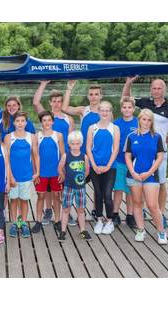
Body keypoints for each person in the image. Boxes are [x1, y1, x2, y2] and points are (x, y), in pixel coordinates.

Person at [122, 76, 168, 229]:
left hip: (160, 153)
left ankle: (160, 215)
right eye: (154, 88)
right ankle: (140, 211)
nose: (156, 91)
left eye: (159, 88)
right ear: (151, 89)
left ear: (164, 89)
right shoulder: (144, 103)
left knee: (161, 183)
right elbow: (125, 99)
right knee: (140, 180)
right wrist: (129, 82)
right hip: (141, 150)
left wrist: (159, 145)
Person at [33, 80, 76, 226]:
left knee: (62, 189)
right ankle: (48, 211)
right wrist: (43, 83)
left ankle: (65, 212)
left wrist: (67, 163)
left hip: (62, 158)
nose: (57, 104)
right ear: (50, 103)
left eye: (59, 101)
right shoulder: (46, 116)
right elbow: (35, 102)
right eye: (54, 101)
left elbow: (70, 141)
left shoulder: (68, 119)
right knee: (48, 190)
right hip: (46, 162)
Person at [125, 109, 166, 244]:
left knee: (152, 205)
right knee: (137, 203)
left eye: (149, 120)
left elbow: (160, 157)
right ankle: (141, 230)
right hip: (134, 175)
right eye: (144, 119)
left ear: (152, 122)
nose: (146, 122)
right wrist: (133, 173)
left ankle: (161, 232)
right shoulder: (131, 137)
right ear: (139, 120)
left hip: (151, 175)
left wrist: (148, 172)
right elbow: (128, 156)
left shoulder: (157, 137)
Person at [62, 80, 102, 220]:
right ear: (88, 96)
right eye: (91, 94)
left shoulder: (105, 112)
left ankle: (97, 212)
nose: (93, 97)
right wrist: (69, 88)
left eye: (96, 94)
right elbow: (65, 108)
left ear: (101, 96)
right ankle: (76, 212)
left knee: (98, 188)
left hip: (97, 155)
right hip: (82, 155)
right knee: (77, 184)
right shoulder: (83, 110)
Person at [86, 101, 120, 235]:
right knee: (98, 194)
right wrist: (94, 165)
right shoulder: (92, 128)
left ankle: (110, 221)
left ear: (110, 112)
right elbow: (88, 147)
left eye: (107, 110)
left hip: (110, 167)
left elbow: (116, 149)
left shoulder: (114, 128)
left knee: (107, 194)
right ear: (98, 112)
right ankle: (99, 219)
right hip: (95, 166)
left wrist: (107, 166)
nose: (105, 113)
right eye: (102, 110)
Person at [4, 111, 39, 238]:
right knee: (13, 200)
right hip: (13, 175)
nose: (20, 123)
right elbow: (6, 158)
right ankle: (14, 223)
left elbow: (35, 155)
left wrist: (37, 172)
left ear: (26, 122)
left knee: (24, 201)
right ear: (14, 123)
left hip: (26, 175)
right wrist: (10, 176)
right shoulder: (8, 137)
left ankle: (23, 222)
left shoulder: (32, 137)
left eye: (22, 121)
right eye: (17, 121)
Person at [32, 111, 65, 234]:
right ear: (41, 122)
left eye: (49, 120)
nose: (46, 122)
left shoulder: (59, 135)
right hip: (42, 173)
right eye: (44, 120)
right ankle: (38, 221)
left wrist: (62, 171)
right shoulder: (36, 136)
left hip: (56, 172)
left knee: (56, 196)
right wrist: (36, 172)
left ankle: (57, 221)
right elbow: (35, 156)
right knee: (41, 196)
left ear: (53, 121)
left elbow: (63, 154)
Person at [57, 130, 92, 242]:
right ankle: (63, 231)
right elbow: (60, 168)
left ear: (81, 144)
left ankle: (82, 230)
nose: (75, 146)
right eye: (73, 143)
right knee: (66, 209)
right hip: (68, 187)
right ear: (69, 144)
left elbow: (87, 170)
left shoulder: (84, 157)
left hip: (80, 188)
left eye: (77, 143)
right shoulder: (65, 156)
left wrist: (81, 179)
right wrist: (64, 176)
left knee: (80, 209)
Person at [113, 96, 138, 228]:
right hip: (119, 161)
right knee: (118, 189)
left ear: (133, 109)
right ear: (121, 109)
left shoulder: (138, 123)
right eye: (124, 107)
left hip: (133, 164)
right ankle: (115, 214)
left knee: (130, 190)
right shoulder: (116, 124)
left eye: (129, 107)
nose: (127, 109)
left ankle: (130, 215)